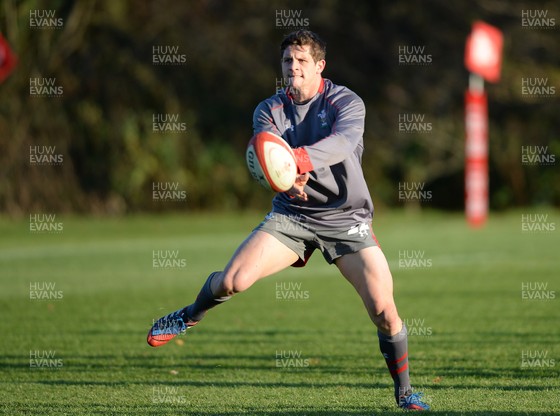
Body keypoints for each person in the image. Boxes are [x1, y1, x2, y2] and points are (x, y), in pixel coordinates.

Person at [147, 29, 430, 411]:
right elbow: (268, 155)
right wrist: (282, 177)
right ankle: (187, 315)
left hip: (345, 217)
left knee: (383, 309)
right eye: (287, 61)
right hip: (292, 215)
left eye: (301, 61)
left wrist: (296, 160)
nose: (292, 68)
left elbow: (343, 144)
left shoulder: (346, 101)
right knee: (233, 281)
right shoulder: (269, 109)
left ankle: (404, 392)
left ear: (319, 66)